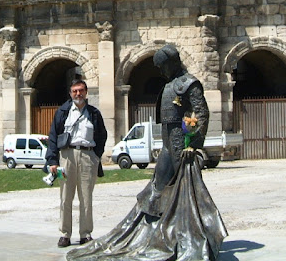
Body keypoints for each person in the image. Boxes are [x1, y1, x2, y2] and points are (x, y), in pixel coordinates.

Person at [67, 44, 227, 261]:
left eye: (162, 66)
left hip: (181, 145)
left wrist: (194, 144)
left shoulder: (190, 83)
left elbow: (202, 113)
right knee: (157, 187)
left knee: (185, 190)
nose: (160, 71)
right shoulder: (170, 84)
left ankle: (186, 234)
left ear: (171, 63)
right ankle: (155, 232)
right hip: (168, 143)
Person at [46, 79, 107, 248]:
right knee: (65, 197)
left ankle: (85, 234)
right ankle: (65, 234)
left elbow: (102, 135)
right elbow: (53, 136)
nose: (78, 94)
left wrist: (96, 156)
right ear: (70, 93)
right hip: (66, 157)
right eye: (75, 91)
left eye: (81, 90)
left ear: (86, 92)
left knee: (86, 197)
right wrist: (52, 160)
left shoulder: (94, 113)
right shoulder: (62, 112)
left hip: (88, 156)